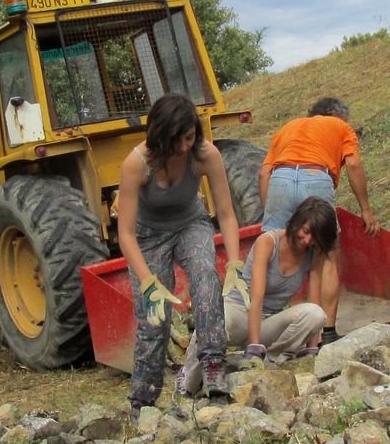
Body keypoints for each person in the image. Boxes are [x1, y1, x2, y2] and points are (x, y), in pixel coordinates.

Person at [117, 94, 245, 411]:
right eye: (177, 140)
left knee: (205, 279)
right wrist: (148, 283)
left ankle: (214, 369)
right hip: (147, 238)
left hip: (191, 224)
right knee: (154, 319)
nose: (184, 147)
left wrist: (235, 264)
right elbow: (126, 233)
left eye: (190, 138)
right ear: (160, 136)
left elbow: (226, 215)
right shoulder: (137, 164)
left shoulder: (205, 155)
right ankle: (143, 401)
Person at [258, 97, 376, 343]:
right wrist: (365, 209)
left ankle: (270, 325)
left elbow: (264, 172)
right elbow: (353, 164)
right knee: (328, 255)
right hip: (316, 176)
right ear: (339, 117)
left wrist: (270, 208)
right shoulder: (341, 127)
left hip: (279, 179)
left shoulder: (287, 128)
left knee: (274, 252)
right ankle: (328, 332)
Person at [234, 196, 335, 361]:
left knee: (317, 314)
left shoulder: (314, 253)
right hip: (241, 313)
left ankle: (274, 358)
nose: (307, 240)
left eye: (315, 237)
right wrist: (254, 347)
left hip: (269, 322)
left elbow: (314, 301)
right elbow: (256, 297)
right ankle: (191, 372)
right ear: (296, 222)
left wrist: (312, 349)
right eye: (306, 231)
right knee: (216, 321)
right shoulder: (268, 242)